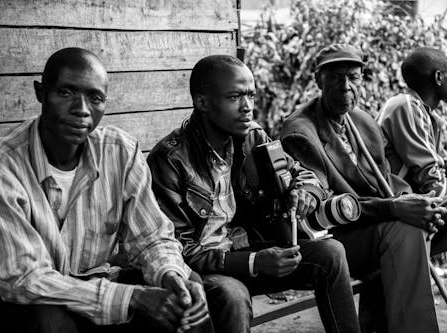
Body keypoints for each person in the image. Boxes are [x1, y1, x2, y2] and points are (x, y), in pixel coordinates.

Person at [0, 47, 210, 333]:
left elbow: (151, 239)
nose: (81, 109)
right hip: (15, 303)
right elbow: (23, 278)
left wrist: (170, 275)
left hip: (92, 287)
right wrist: (133, 297)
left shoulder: (120, 152)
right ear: (41, 93)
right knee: (49, 322)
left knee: (186, 295)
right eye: (65, 93)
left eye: (95, 98)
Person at [147, 54, 361, 333]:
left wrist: (304, 191)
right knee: (232, 293)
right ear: (202, 102)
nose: (247, 107)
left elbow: (304, 174)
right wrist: (253, 262)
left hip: (246, 250)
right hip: (204, 271)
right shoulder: (170, 160)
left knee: (330, 253)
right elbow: (179, 252)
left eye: (250, 95)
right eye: (235, 97)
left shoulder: (252, 137)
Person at [279, 43, 447, 333]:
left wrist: (416, 202)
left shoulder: (362, 121)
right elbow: (325, 209)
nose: (345, 86)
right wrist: (396, 208)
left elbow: (387, 180)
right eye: (335, 77)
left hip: (374, 223)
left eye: (353, 77)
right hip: (340, 239)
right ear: (319, 80)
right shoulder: (301, 132)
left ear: (362, 80)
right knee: (405, 230)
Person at [377, 46, 447, 333]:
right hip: (400, 215)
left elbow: (446, 177)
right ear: (439, 77)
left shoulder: (425, 114)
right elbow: (433, 184)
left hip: (421, 209)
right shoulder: (404, 106)